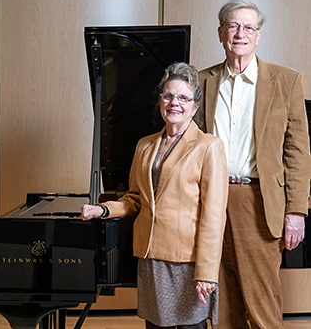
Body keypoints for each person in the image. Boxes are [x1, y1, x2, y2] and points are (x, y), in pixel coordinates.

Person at [82, 62, 228, 328]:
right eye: (169, 95)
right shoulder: (145, 145)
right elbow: (136, 198)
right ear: (160, 101)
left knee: (190, 325)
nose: (175, 103)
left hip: (187, 261)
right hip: (150, 257)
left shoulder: (209, 147)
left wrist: (207, 272)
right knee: (155, 326)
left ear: (195, 106)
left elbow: (214, 216)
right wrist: (103, 210)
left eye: (183, 97)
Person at [197, 0, 311, 329]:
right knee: (222, 304)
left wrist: (296, 211)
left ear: (258, 35)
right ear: (220, 33)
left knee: (261, 305)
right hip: (210, 201)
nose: (240, 33)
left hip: (257, 201)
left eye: (249, 27)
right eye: (233, 25)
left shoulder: (287, 81)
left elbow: (298, 151)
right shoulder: (201, 81)